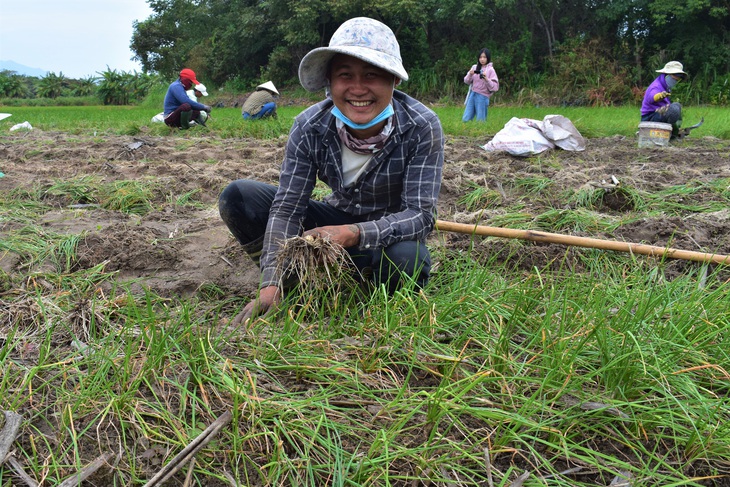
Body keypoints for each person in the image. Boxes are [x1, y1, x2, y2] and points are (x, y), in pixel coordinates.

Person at [219, 17, 445, 326]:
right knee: (239, 197)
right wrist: (270, 282)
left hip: (384, 237)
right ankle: (288, 283)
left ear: (394, 81)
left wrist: (354, 234)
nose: (358, 88)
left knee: (407, 258)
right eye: (345, 75)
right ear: (329, 81)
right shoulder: (310, 126)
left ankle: (370, 290)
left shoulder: (421, 126)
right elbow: (288, 208)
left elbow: (420, 215)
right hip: (335, 219)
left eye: (372, 75)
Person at [641, 61, 688, 137]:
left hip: (656, 115)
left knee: (677, 105)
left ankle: (675, 130)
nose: (675, 81)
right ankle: (671, 133)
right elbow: (651, 98)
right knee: (674, 110)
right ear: (666, 75)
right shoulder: (656, 86)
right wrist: (659, 96)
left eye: (677, 80)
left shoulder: (665, 86)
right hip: (649, 118)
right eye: (674, 78)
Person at [462, 48, 499, 122]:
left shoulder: (490, 70)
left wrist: (486, 79)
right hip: (473, 94)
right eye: (480, 57)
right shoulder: (474, 67)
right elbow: (466, 81)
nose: (482, 59)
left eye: (484, 57)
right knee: (466, 118)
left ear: (488, 58)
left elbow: (495, 87)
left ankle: (480, 132)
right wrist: (470, 74)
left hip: (483, 96)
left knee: (480, 120)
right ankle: (466, 131)